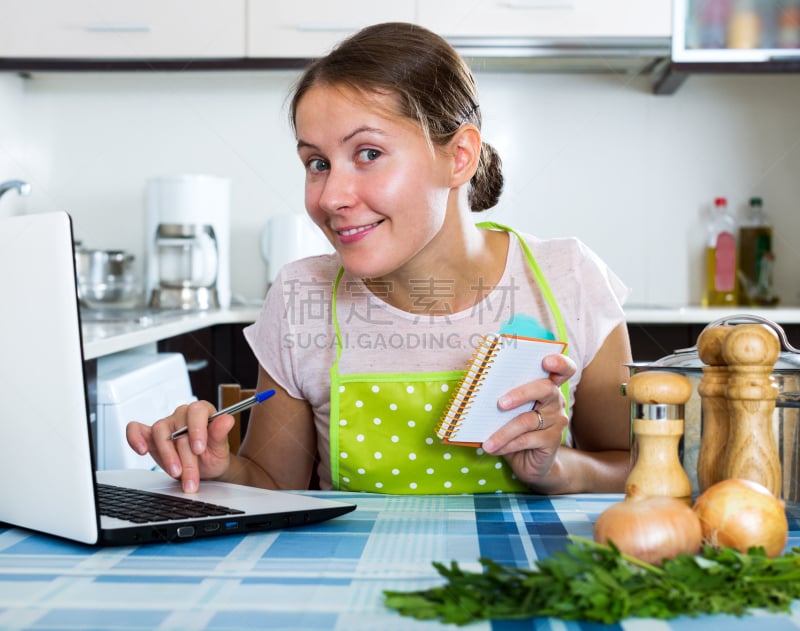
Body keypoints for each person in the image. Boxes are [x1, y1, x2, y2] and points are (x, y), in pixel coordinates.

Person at [126, 22, 633, 496]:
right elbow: (271, 487)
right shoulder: (301, 295)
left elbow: (633, 465)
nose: (331, 198)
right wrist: (221, 469)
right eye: (317, 164)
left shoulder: (568, 279)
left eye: (368, 153)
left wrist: (558, 467)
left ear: (459, 157)